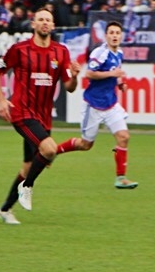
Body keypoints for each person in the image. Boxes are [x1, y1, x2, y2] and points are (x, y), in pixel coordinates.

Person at [0, 8, 80, 224]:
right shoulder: (19, 50)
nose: (44, 23)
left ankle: (4, 210)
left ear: (53, 25)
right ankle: (26, 189)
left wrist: (75, 76)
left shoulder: (61, 52)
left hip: (43, 116)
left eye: (48, 20)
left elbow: (69, 87)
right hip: (22, 112)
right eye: (40, 19)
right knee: (49, 149)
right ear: (33, 24)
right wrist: (2, 100)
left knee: (31, 166)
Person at [53, 21, 138, 189]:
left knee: (124, 137)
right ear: (106, 36)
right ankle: (53, 151)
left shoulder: (119, 53)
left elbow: (115, 71)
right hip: (94, 105)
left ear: (121, 36)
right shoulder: (100, 52)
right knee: (86, 145)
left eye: (117, 33)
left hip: (111, 104)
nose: (114, 35)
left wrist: (119, 82)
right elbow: (89, 74)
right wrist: (112, 73)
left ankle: (120, 178)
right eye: (111, 32)